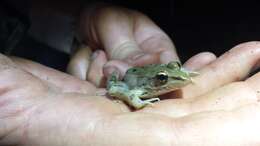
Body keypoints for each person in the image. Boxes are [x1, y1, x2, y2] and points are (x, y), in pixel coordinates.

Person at [1, 4, 260, 146]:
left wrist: (86, 13)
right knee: (114, 86)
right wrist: (139, 101)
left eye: (171, 75)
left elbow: (171, 71)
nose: (173, 80)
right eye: (164, 79)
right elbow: (130, 95)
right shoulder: (144, 86)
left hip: (58, 22)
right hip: (128, 79)